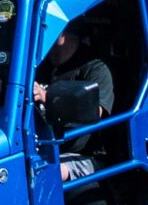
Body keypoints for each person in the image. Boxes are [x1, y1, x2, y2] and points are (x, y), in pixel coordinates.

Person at [35, 25, 116, 181]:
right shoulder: (40, 65)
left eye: (47, 26)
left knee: (43, 173)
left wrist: (48, 98)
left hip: (85, 155)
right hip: (44, 145)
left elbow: (95, 111)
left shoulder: (95, 68)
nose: (40, 32)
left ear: (64, 31)